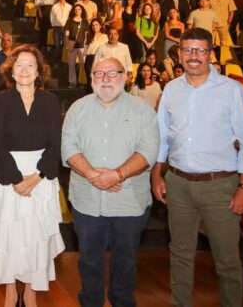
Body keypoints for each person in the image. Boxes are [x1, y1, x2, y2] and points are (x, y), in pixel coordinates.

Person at [151, 28, 243, 307]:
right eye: (188, 50)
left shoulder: (232, 90)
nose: (194, 56)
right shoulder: (171, 89)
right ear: (180, 54)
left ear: (210, 53)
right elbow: (163, 137)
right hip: (178, 184)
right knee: (180, 255)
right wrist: (156, 174)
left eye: (200, 50)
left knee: (227, 260)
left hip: (220, 187)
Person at [61, 56, 159, 307]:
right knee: (89, 260)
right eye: (99, 74)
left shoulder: (142, 109)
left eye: (112, 73)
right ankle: (91, 302)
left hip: (128, 201)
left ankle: (122, 302)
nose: (105, 79)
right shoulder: (77, 108)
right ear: (91, 78)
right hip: (87, 201)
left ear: (125, 77)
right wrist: (94, 175)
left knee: (125, 260)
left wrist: (117, 175)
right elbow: (68, 147)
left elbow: (149, 150)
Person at [0, 45, 64, 307]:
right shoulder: (2, 100)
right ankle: (10, 290)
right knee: (10, 236)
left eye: (30, 65)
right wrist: (17, 179)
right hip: (9, 175)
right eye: (19, 64)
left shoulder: (51, 101)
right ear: (11, 69)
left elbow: (56, 143)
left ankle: (30, 290)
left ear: (39, 71)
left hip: (41, 176)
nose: (24, 70)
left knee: (35, 237)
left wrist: (37, 176)